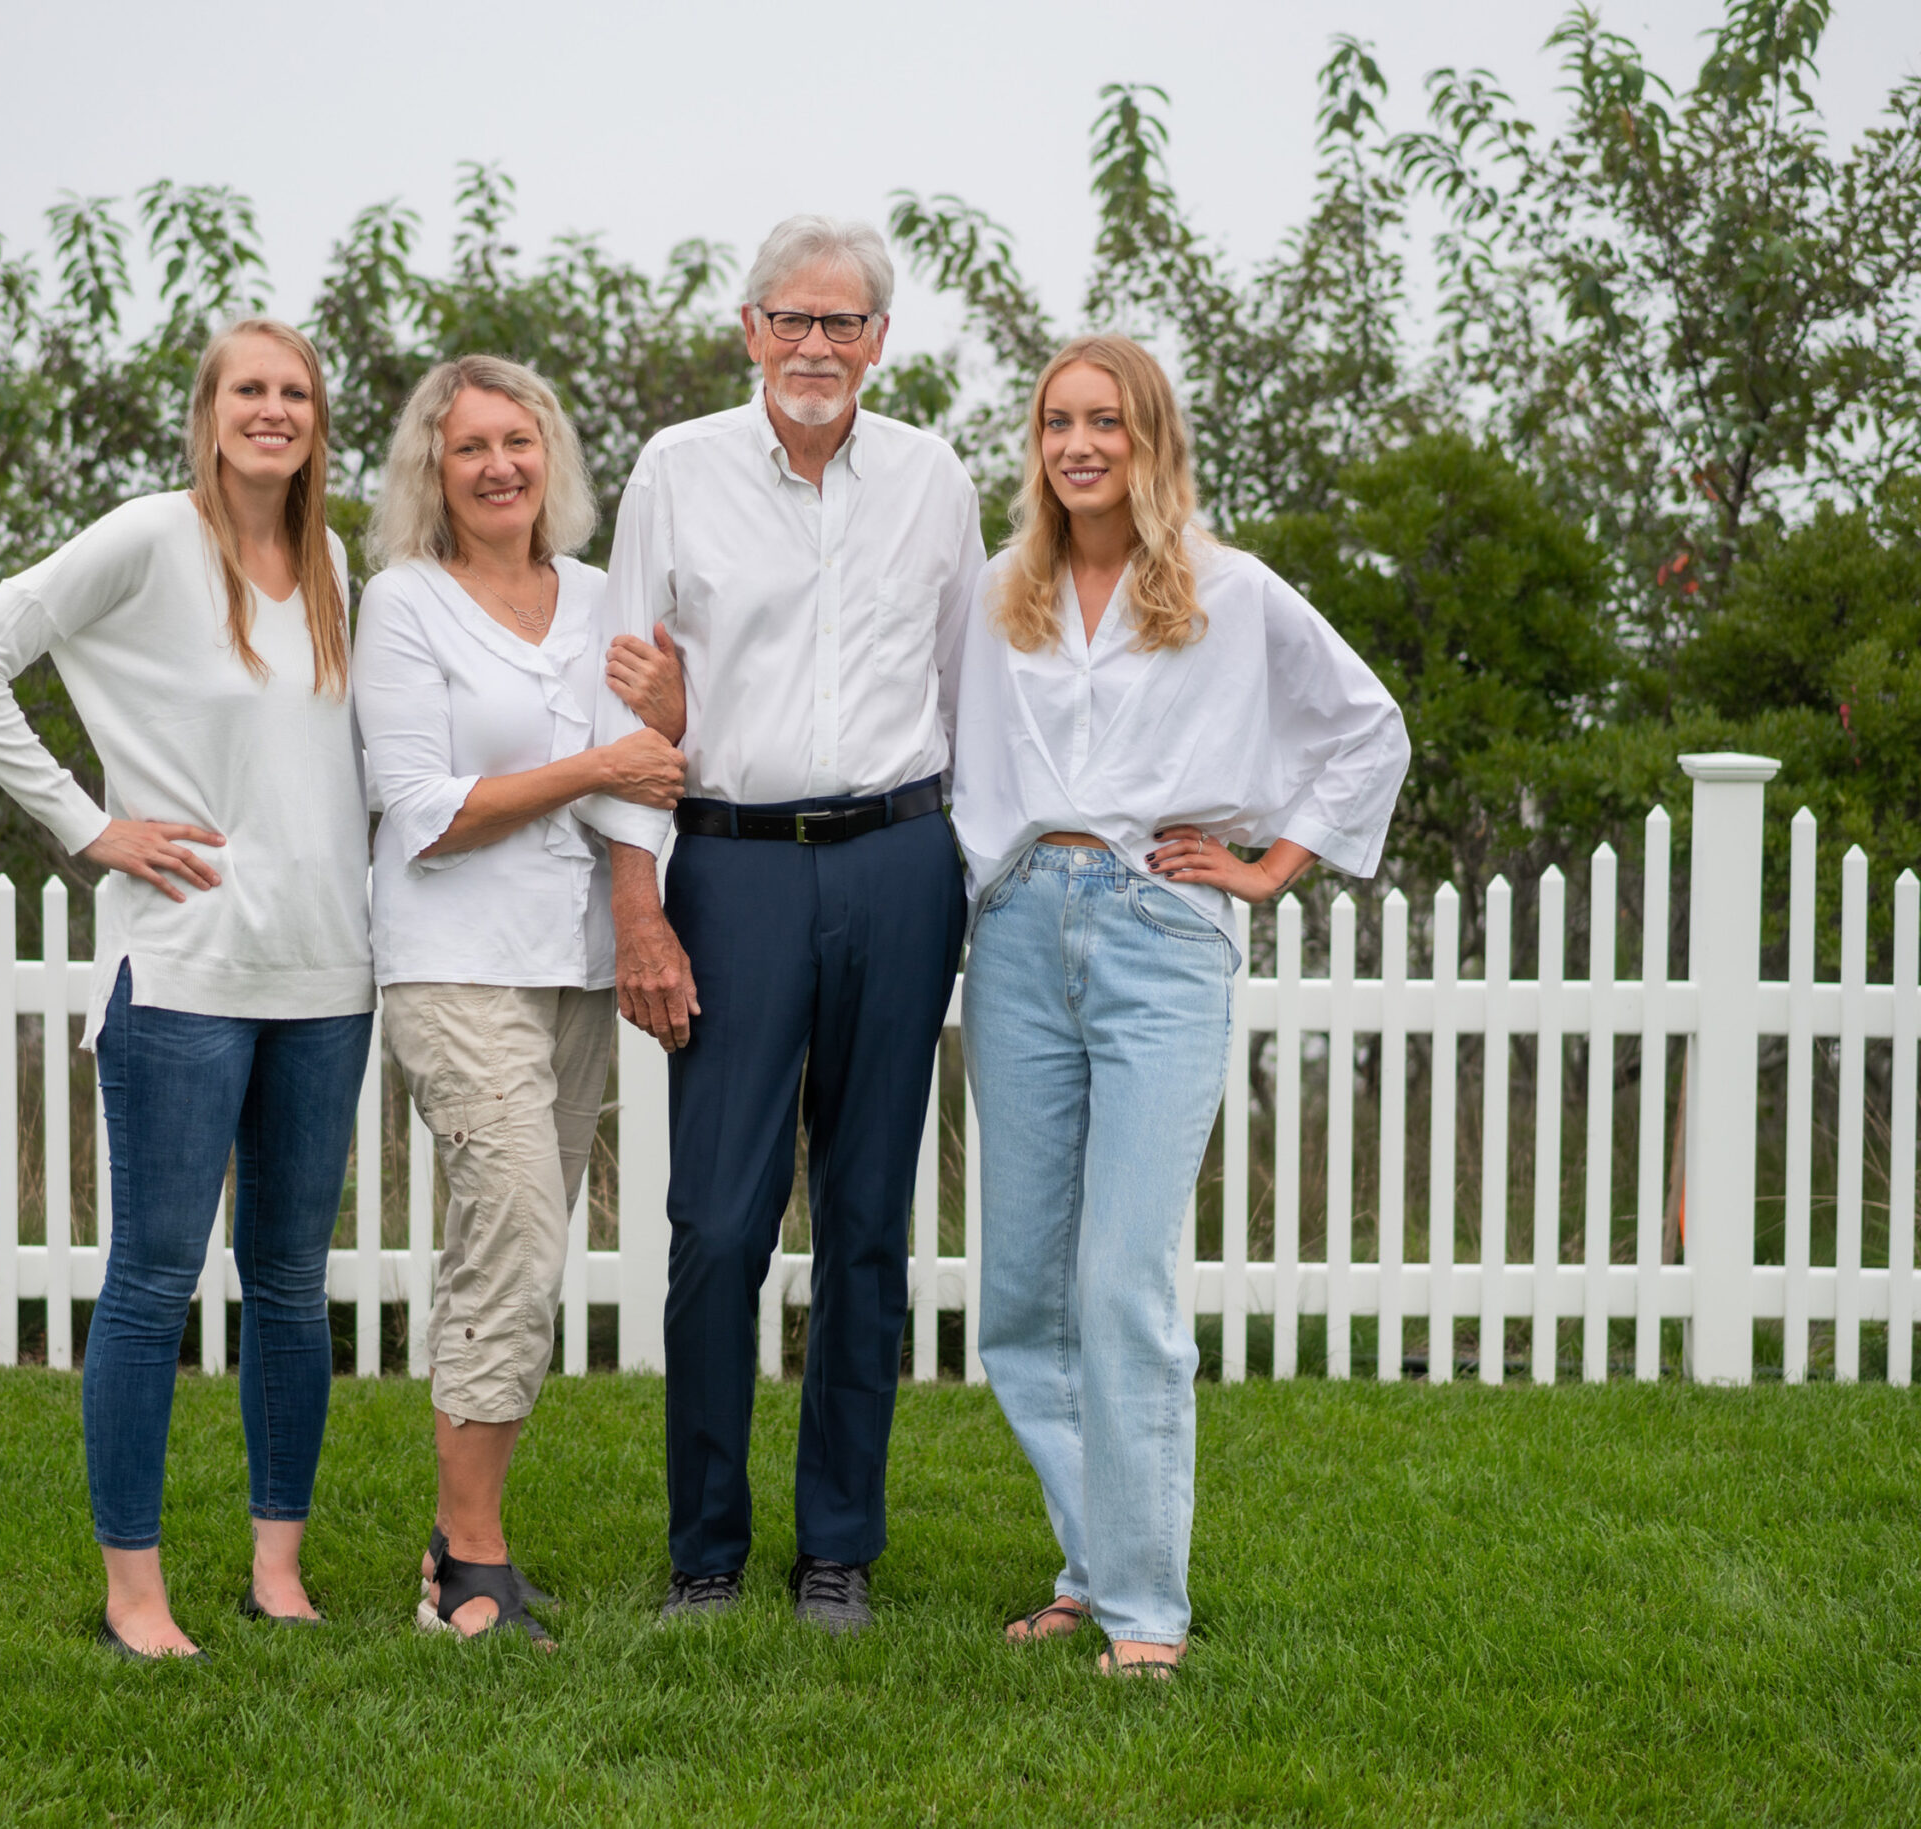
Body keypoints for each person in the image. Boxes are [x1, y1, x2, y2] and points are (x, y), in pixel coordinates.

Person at [951, 334, 1408, 1676]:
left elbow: (1365, 725)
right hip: (1022, 930)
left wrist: (1272, 864)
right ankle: (1088, 1568)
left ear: (1152, 440)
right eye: (1056, 423)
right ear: (1035, 447)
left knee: (1124, 1280)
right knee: (1024, 1297)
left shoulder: (1232, 590)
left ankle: (1147, 1609)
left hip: (1161, 935)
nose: (1080, 445)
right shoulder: (998, 592)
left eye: (1107, 422)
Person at [0, 317, 373, 1658]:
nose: (272, 410)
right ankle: (134, 1595)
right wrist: (84, 822)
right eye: (250, 389)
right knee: (153, 1279)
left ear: (315, 417)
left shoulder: (334, 561)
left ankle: (276, 1572)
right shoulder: (145, 539)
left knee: (290, 1282)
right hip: (181, 966)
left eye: (294, 391)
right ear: (210, 407)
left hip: (324, 972)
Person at [587, 216, 986, 1634]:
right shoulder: (677, 474)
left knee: (870, 1220)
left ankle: (838, 1549)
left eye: (845, 324)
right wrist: (640, 902)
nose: (818, 347)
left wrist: (969, 880)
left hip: (897, 858)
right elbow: (624, 710)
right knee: (716, 1221)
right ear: (750, 330)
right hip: (734, 869)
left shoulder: (936, 479)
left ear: (881, 340)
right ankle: (706, 1549)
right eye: (792, 321)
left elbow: (968, 690)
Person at [351, 355, 688, 1644]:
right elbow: (425, 813)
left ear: (552, 458)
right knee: (515, 1224)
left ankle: (458, 1537)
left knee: (521, 1249)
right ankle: (473, 1571)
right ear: (433, 471)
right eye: (472, 446)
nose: (500, 466)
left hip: (577, 969)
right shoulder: (405, 604)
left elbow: (654, 780)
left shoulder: (604, 599)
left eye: (521, 441)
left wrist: (661, 726)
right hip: (452, 961)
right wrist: (603, 756)